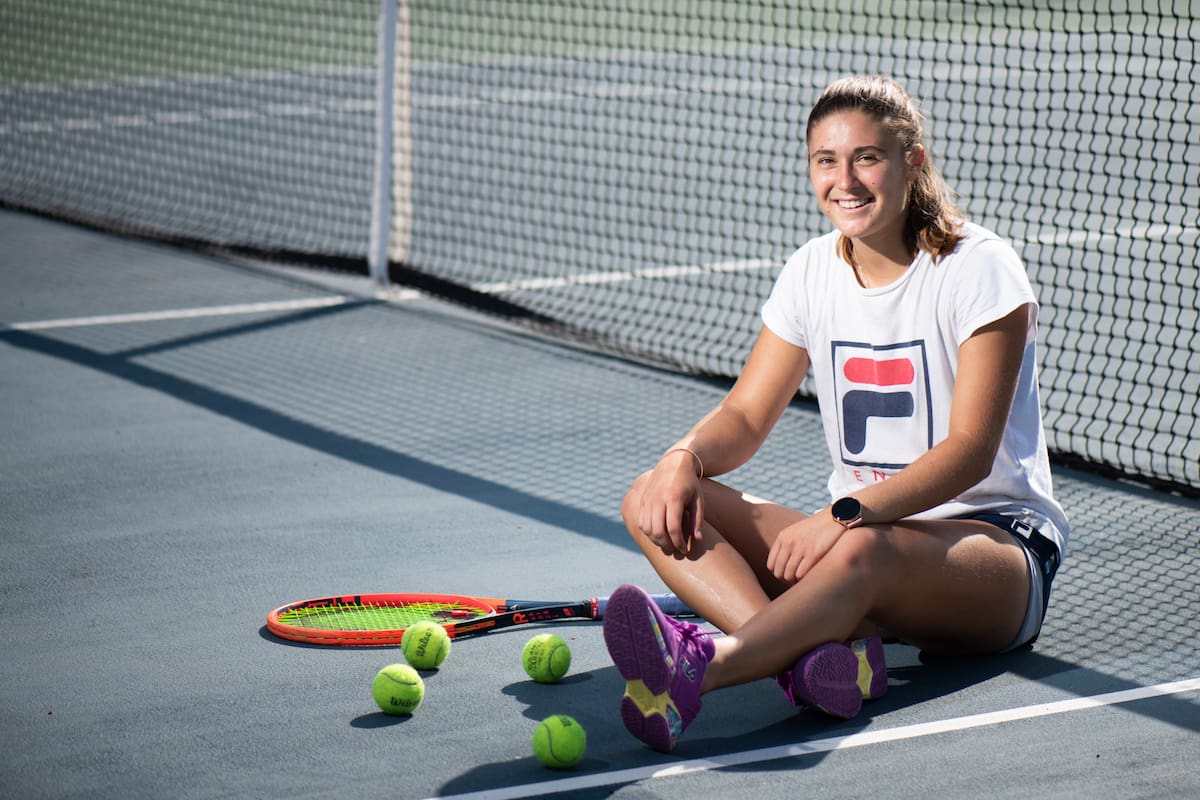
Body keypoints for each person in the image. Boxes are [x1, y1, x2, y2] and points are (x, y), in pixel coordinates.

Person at [601, 75, 1069, 754]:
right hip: (858, 547)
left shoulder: (979, 268)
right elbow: (747, 413)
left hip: (993, 552)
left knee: (862, 547)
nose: (844, 180)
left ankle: (704, 668)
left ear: (914, 162)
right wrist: (685, 458)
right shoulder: (810, 270)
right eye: (826, 160)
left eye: (867, 158)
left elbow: (970, 449)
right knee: (656, 498)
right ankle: (815, 664)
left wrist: (843, 514)